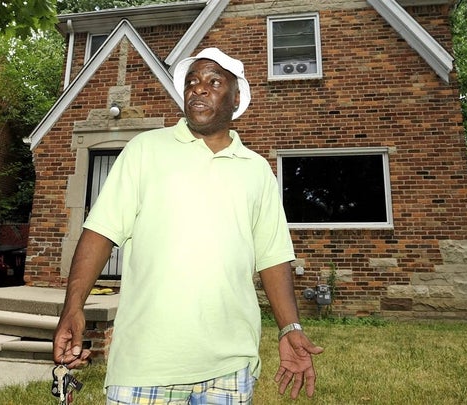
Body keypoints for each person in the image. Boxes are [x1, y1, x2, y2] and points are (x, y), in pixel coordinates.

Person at [53, 47, 323, 403]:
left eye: (213, 81)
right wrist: (73, 306)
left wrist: (290, 327)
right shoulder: (145, 150)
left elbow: (273, 256)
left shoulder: (256, 170)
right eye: (192, 82)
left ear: (236, 97)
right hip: (145, 363)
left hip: (230, 366)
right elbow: (100, 232)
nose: (198, 88)